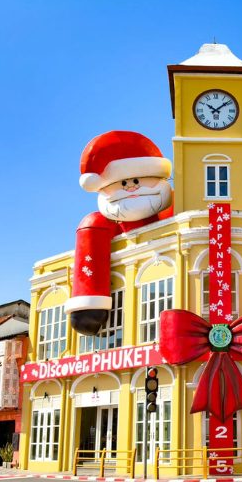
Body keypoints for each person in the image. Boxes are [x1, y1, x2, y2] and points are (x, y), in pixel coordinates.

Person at [66, 131, 174, 336]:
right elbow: (91, 237)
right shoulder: (100, 223)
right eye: (123, 183)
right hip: (129, 328)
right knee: (92, 223)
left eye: (136, 180)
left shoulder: (176, 205)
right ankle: (91, 305)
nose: (132, 187)